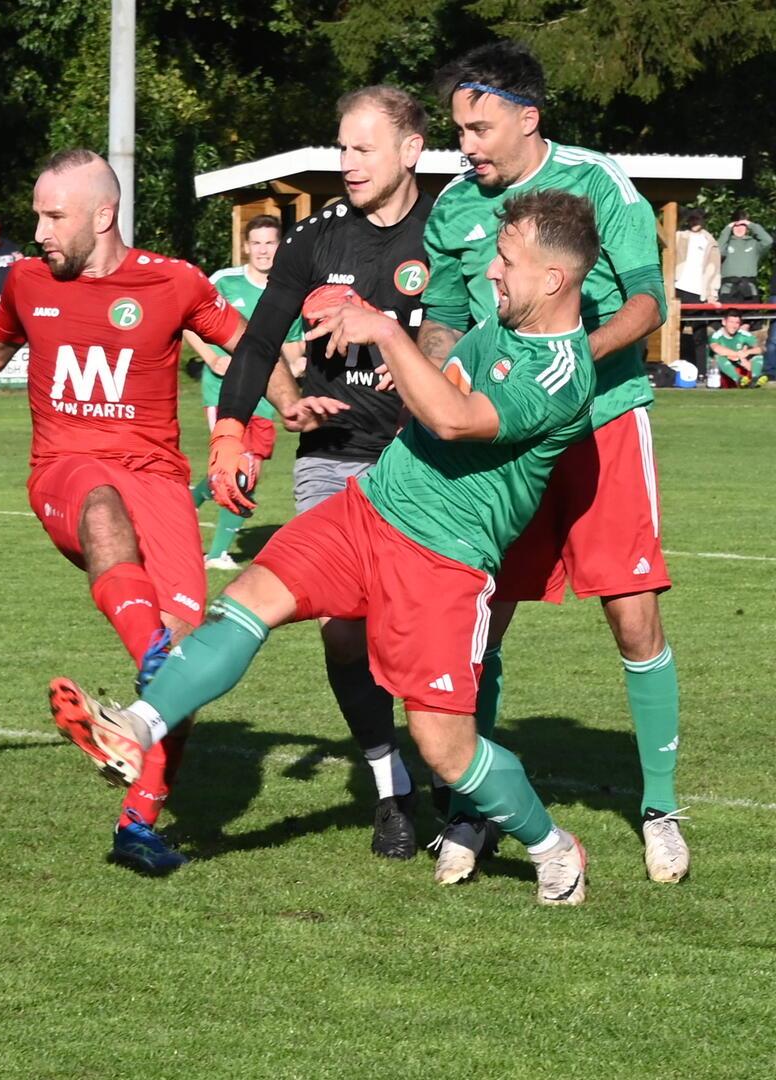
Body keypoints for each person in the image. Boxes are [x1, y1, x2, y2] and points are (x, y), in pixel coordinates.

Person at [59, 190, 603, 905]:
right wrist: (395, 373)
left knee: (446, 749)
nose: (493, 273)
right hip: (367, 511)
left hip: (442, 562)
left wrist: (386, 333)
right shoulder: (502, 321)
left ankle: (552, 845)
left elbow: (455, 418)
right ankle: (138, 726)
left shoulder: (564, 371)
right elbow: (440, 387)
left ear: (554, 280)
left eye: (507, 261)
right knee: (246, 601)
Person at [0, 149, 247, 873]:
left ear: (103, 216)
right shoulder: (30, 282)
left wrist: (266, 416)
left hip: (159, 480)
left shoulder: (173, 281)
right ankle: (155, 663)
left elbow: (248, 348)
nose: (36, 230)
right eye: (37, 213)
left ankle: (139, 823)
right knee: (103, 512)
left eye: (51, 215)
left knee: (187, 670)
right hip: (65, 472)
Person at [414, 41, 683, 885]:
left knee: (633, 613)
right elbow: (443, 323)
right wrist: (433, 385)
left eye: (481, 127)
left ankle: (660, 806)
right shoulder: (454, 208)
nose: (468, 145)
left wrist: (571, 361)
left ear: (529, 119)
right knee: (479, 616)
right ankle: (476, 807)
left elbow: (650, 300)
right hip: (504, 438)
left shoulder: (599, 185)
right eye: (460, 130)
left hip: (601, 420)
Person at [204, 86, 436, 861]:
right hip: (334, 459)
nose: (350, 164)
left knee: (429, 629)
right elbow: (260, 338)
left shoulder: (453, 229)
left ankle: (464, 780)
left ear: (410, 150)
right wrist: (235, 429)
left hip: (433, 461)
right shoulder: (316, 237)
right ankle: (391, 789)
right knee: (344, 629)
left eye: (365, 148)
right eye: (343, 148)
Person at [183, 214, 292, 573]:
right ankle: (216, 554)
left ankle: (180, 508)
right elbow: (189, 320)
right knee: (241, 467)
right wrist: (213, 357)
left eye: (270, 243)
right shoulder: (225, 283)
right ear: (246, 246)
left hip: (266, 397)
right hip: (225, 394)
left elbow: (292, 347)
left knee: (242, 470)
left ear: (280, 246)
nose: (263, 250)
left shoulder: (288, 290)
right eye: (257, 243)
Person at [673, 207, 720, 365]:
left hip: (700, 292)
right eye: (692, 219)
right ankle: (671, 368)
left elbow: (715, 269)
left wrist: (713, 293)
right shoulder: (679, 236)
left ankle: (702, 372)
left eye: (697, 219)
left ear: (703, 220)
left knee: (700, 334)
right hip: (679, 287)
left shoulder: (710, 242)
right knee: (674, 332)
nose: (694, 222)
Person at [718, 215, 771, 303]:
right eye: (736, 226)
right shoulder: (726, 243)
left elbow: (768, 241)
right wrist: (727, 229)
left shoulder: (754, 244)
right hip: (728, 288)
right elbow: (718, 250)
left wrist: (751, 225)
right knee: (729, 315)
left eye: (742, 225)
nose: (739, 228)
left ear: (747, 228)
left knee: (750, 315)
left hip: (749, 288)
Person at [709, 310, 765, 387]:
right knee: (719, 357)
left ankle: (755, 379)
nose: (734, 326)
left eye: (737, 323)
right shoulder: (717, 335)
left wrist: (747, 352)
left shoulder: (743, 334)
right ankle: (739, 380)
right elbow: (716, 348)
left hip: (740, 363)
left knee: (758, 357)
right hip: (720, 370)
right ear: (724, 322)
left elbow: (761, 348)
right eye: (731, 322)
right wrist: (738, 355)